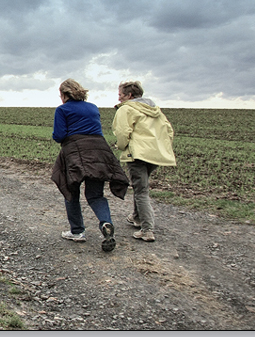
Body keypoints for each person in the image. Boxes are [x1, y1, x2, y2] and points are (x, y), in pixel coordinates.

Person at [50, 79, 128, 252]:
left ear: (64, 94)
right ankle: (105, 222)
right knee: (95, 195)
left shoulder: (62, 110)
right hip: (100, 151)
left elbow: (59, 135)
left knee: (71, 191)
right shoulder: (92, 107)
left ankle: (77, 231)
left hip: (75, 152)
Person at [112, 81, 177, 242]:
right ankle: (136, 217)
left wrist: (121, 146)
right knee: (140, 185)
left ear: (129, 96)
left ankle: (147, 230)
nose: (119, 98)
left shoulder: (126, 109)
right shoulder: (155, 110)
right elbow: (168, 131)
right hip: (155, 154)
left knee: (141, 190)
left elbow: (122, 132)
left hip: (138, 154)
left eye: (120, 94)